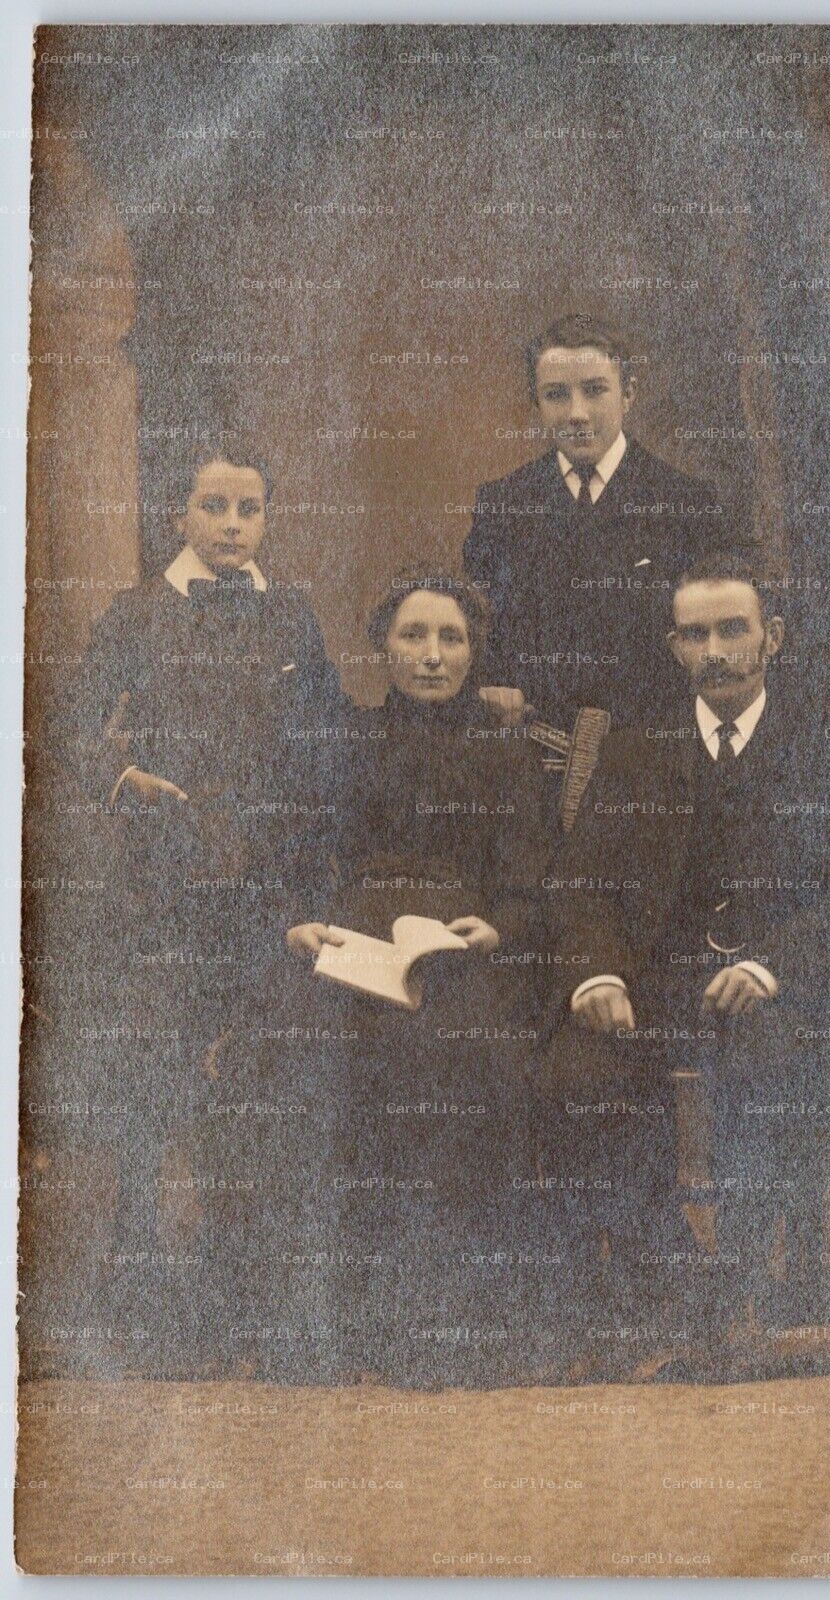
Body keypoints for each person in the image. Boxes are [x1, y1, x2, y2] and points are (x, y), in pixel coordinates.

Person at [64, 442, 349, 1377]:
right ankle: (147, 1292)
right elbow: (69, 726)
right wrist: (123, 779)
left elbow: (325, 742)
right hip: (167, 887)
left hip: (268, 885)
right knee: (157, 1074)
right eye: (214, 507)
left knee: (263, 1076)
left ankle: (252, 1290)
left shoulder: (290, 616)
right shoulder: (139, 614)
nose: (232, 526)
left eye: (249, 509)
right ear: (178, 516)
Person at [539, 557, 830, 1376]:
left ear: (772, 637)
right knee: (579, 1072)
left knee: (773, 1064)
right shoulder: (635, 753)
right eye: (694, 634)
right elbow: (581, 886)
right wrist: (599, 975)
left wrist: (770, 968)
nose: (714, 650)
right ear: (674, 647)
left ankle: (747, 1286)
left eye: (732, 629)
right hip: (655, 984)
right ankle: (672, 1274)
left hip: (770, 989)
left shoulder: (825, 748)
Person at [238, 569, 555, 1387]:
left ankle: (441, 1319)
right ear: (383, 645)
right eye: (413, 636)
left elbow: (530, 883)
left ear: (474, 651)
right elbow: (292, 857)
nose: (431, 655)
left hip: (457, 949)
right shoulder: (344, 741)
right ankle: (327, 1320)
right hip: (352, 943)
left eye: (451, 638)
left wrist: (499, 926)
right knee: (304, 1050)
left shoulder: (506, 754)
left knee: (459, 1055)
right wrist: (299, 921)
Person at [462, 312, 737, 732]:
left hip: (651, 747)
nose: (577, 413)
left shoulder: (687, 504)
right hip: (530, 749)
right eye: (556, 394)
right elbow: (476, 638)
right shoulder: (502, 505)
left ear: (628, 394)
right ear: (536, 404)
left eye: (594, 390)